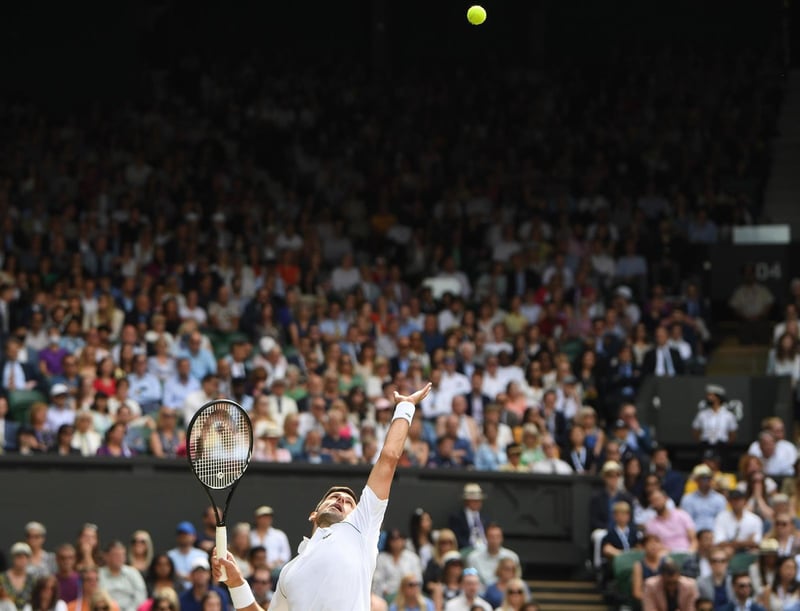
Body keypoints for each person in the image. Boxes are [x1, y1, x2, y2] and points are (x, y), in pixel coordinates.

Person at [212, 382, 432, 611]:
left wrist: (405, 407)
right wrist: (236, 583)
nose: (341, 500)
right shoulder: (289, 571)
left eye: (349, 503)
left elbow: (388, 458)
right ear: (313, 514)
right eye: (334, 497)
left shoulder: (362, 526)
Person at [372, 529, 423, 602]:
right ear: (389, 541)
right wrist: (385, 591)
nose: (397, 542)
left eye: (400, 538)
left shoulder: (413, 558)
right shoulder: (381, 558)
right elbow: (377, 580)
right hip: (386, 596)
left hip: (408, 596)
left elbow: (418, 579)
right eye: (393, 539)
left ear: (404, 540)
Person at [97, 542, 146, 611]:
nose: (120, 558)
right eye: (116, 555)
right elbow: (96, 598)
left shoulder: (133, 573)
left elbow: (141, 595)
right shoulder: (98, 574)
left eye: (122, 555)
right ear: (106, 556)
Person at [713, 488, 763, 555]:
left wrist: (736, 543)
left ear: (744, 501)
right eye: (733, 500)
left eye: (739, 500)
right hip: (728, 550)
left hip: (748, 550)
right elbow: (719, 541)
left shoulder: (755, 519)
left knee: (755, 552)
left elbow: (757, 542)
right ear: (729, 502)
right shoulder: (721, 517)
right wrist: (746, 542)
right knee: (726, 550)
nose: (736, 502)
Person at [680, 464, 728, 532]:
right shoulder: (687, 499)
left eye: (709, 478)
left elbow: (722, 522)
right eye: (703, 478)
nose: (707, 481)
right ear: (696, 480)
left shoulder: (720, 499)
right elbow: (686, 523)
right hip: (695, 535)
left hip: (715, 536)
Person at [248, 507, 291, 572]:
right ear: (256, 518)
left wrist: (273, 565)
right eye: (263, 517)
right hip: (253, 571)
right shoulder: (250, 535)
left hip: (275, 571)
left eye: (268, 517)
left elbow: (286, 555)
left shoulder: (279, 535)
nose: (266, 520)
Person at [166, 522, 207, 590]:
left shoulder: (202, 555)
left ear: (194, 536)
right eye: (180, 534)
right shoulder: (169, 555)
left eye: (186, 534)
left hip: (198, 591)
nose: (183, 536)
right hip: (175, 591)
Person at [448, 483, 490, 551]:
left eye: (479, 500)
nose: (478, 503)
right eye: (474, 501)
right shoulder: (456, 517)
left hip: (486, 550)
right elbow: (457, 538)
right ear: (467, 501)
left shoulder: (485, 518)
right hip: (467, 550)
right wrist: (472, 549)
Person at [1, 543, 35, 610]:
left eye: (25, 557)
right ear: (12, 558)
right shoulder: (2, 578)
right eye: (18, 556)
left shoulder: (33, 580)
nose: (22, 560)